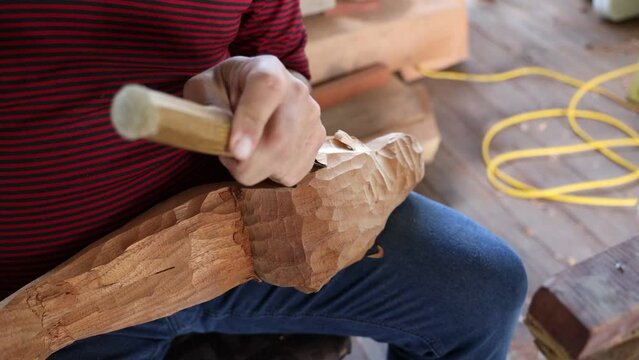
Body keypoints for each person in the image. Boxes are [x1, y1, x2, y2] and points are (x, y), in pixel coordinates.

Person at [0, 1, 527, 359]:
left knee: (482, 286)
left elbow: (280, 55)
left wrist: (277, 95)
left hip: (221, 220)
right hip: (43, 288)